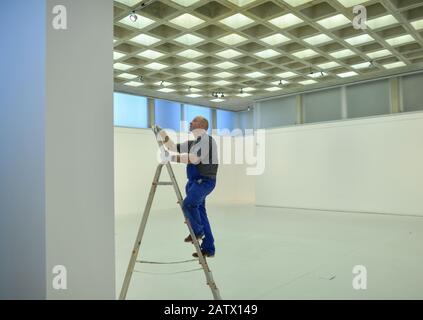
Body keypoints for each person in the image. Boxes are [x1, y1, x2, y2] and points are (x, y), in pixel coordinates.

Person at [158, 116, 218, 258]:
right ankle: (209, 248)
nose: (190, 123)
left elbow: (194, 159)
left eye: (194, 121)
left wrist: (171, 158)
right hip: (193, 182)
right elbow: (172, 147)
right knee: (201, 215)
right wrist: (162, 133)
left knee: (189, 204)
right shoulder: (193, 143)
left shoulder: (207, 141)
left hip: (204, 182)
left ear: (202, 126)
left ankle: (198, 232)